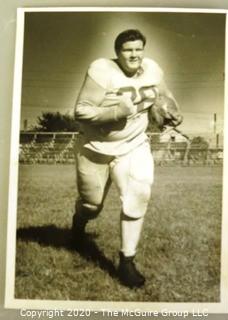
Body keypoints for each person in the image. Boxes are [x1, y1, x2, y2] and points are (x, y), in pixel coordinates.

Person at [72, 29, 181, 288]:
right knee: (92, 205)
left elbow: (164, 97)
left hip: (133, 144)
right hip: (95, 148)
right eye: (127, 50)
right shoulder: (101, 70)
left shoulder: (152, 69)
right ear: (117, 53)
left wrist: (171, 113)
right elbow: (81, 111)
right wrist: (117, 111)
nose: (134, 54)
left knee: (139, 192)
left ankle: (127, 261)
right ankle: (78, 224)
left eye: (138, 49)